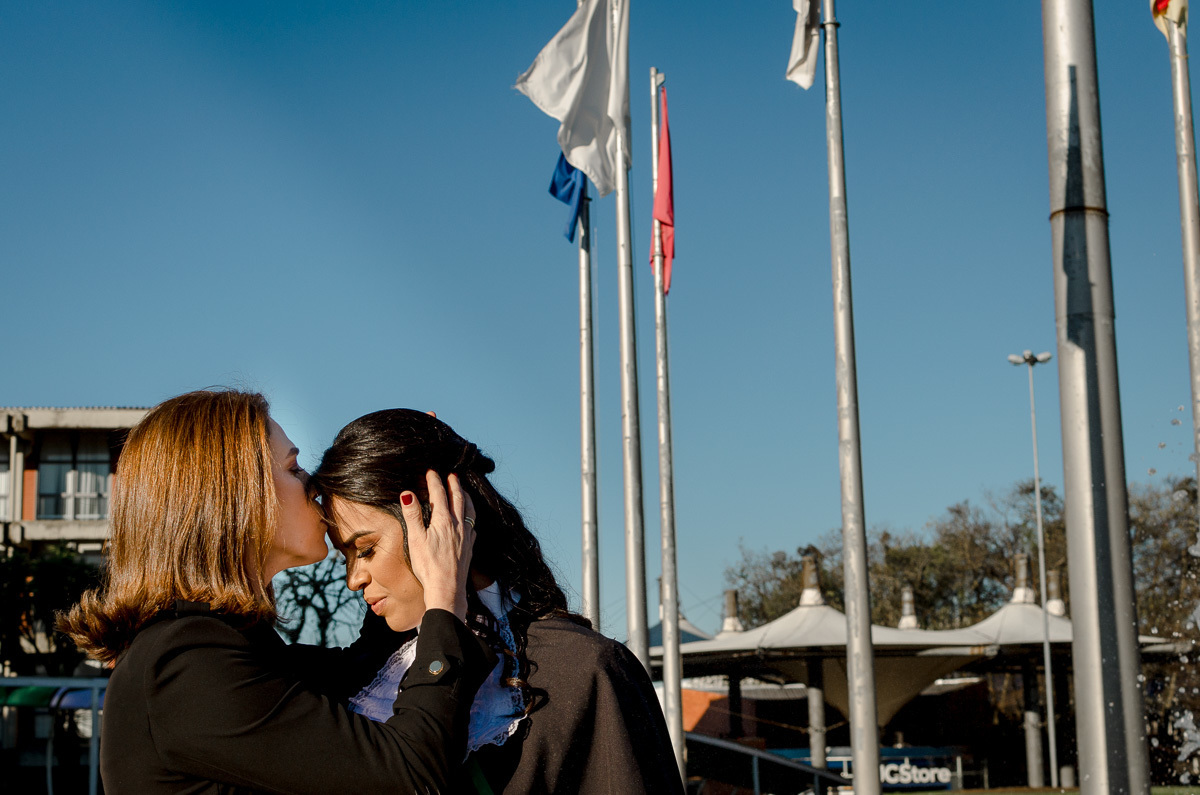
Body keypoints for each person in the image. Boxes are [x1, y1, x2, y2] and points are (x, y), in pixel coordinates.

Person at [59, 390, 493, 794]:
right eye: (293, 468)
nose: (315, 486)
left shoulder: (217, 646)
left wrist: (401, 467)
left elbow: (363, 672)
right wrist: (443, 600)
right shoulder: (184, 666)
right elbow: (409, 774)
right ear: (236, 497)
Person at [311, 409, 685, 794]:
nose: (353, 579)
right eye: (345, 556)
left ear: (435, 514)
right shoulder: (358, 682)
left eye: (366, 549)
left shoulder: (587, 671)